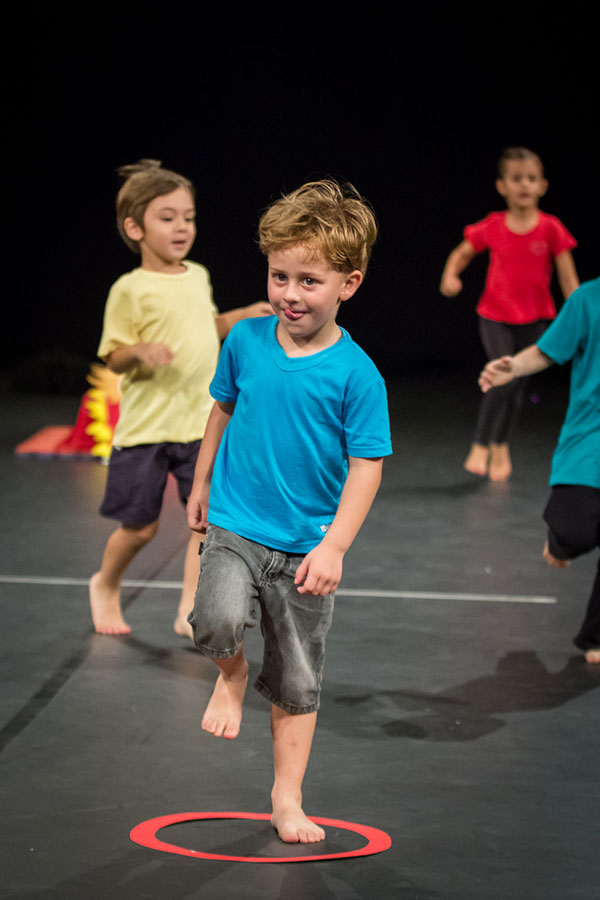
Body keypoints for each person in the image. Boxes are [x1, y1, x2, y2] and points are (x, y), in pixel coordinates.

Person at [186, 180, 392, 844]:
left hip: (305, 547)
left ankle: (287, 796)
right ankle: (231, 673)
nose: (290, 294)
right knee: (213, 620)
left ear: (348, 284)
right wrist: (200, 481)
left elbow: (367, 467)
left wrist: (334, 546)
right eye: (280, 276)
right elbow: (221, 409)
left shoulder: (357, 375)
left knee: (298, 679)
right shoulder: (246, 341)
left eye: (309, 280)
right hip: (237, 522)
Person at [89, 160, 271, 637]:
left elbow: (202, 327)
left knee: (202, 522)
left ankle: (189, 606)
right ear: (135, 228)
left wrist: (236, 317)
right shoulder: (129, 289)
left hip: (197, 425)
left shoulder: (198, 275)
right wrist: (139, 352)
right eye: (167, 217)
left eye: (188, 217)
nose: (181, 227)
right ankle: (105, 583)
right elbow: (113, 355)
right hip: (147, 429)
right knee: (140, 527)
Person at [479, 277, 600, 664]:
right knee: (574, 529)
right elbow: (549, 350)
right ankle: (562, 542)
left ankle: (596, 636)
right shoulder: (589, 299)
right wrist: (513, 367)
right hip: (591, 437)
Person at [440, 147, 579, 481]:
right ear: (502, 186)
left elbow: (567, 278)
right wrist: (450, 275)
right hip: (496, 316)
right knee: (503, 375)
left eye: (531, 178)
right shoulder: (494, 225)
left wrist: (580, 313)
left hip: (535, 318)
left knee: (517, 386)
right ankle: (481, 444)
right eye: (517, 178)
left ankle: (500, 444)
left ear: (543, 185)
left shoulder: (551, 228)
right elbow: (462, 252)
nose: (524, 185)